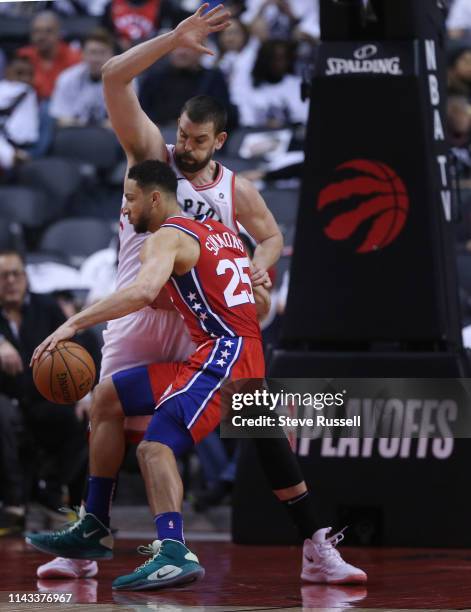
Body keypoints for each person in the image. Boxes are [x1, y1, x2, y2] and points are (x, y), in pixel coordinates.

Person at [29, 4, 365, 586]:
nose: (185, 146)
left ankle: (308, 542)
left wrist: (261, 268)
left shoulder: (236, 188)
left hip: (199, 323)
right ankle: (91, 541)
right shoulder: (152, 160)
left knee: (256, 423)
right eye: (181, 134)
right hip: (140, 308)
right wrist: (173, 38)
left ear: (220, 141)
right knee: (107, 408)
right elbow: (112, 76)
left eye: (197, 139)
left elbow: (272, 237)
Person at [28, 159, 266, 590]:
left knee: (154, 448)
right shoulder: (219, 232)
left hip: (226, 357)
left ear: (155, 198)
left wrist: (73, 323)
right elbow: (191, 297)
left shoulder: (168, 236)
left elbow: (140, 292)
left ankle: (174, 551)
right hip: (227, 353)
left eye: (131, 199)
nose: (125, 209)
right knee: (106, 397)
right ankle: (93, 525)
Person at [0, 250, 88, 531]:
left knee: (86, 417)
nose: (10, 281)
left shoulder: (46, 307)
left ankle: (51, 493)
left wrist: (84, 393)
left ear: (26, 277)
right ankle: (15, 502)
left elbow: (75, 350)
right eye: (3, 276)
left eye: (16, 274)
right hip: (6, 398)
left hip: (42, 396)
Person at [49, 29, 114, 127]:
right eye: (92, 52)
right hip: (76, 135)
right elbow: (61, 118)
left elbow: (127, 122)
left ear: (111, 55)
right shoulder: (67, 78)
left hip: (110, 137)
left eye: (102, 53)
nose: (96, 59)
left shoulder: (125, 81)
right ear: (83, 54)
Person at [18, 11, 81, 100]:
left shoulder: (74, 57)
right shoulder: (23, 56)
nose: (41, 36)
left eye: (48, 31)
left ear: (59, 33)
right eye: (37, 31)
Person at [0, 55, 38, 172]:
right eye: (20, 73)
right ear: (7, 72)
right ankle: (11, 156)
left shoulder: (27, 91)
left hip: (19, 142)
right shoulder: (4, 86)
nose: (25, 78)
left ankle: (12, 157)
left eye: (29, 75)